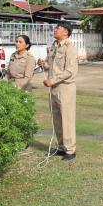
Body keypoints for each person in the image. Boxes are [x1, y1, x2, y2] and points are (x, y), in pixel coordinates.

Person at [37, 22, 78, 161]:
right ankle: (60, 147)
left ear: (66, 32)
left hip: (65, 87)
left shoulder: (70, 48)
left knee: (67, 119)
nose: (55, 30)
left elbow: (70, 71)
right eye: (55, 28)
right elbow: (53, 66)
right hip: (53, 88)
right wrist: (44, 64)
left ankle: (70, 150)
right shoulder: (54, 46)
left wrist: (53, 81)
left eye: (58, 28)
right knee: (56, 119)